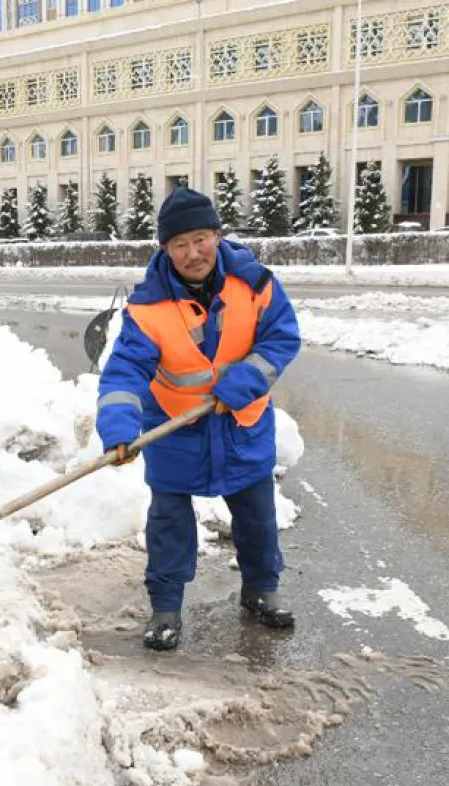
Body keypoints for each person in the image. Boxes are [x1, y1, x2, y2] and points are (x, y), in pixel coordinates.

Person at [95, 188, 302, 650]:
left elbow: (282, 338)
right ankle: (166, 609)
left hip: (241, 425)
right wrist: (119, 428)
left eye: (201, 238)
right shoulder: (147, 308)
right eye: (180, 244)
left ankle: (260, 592)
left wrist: (247, 378)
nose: (194, 253)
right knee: (169, 522)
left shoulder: (255, 284)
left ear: (217, 235)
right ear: (165, 250)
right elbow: (125, 371)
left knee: (256, 518)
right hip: (175, 427)